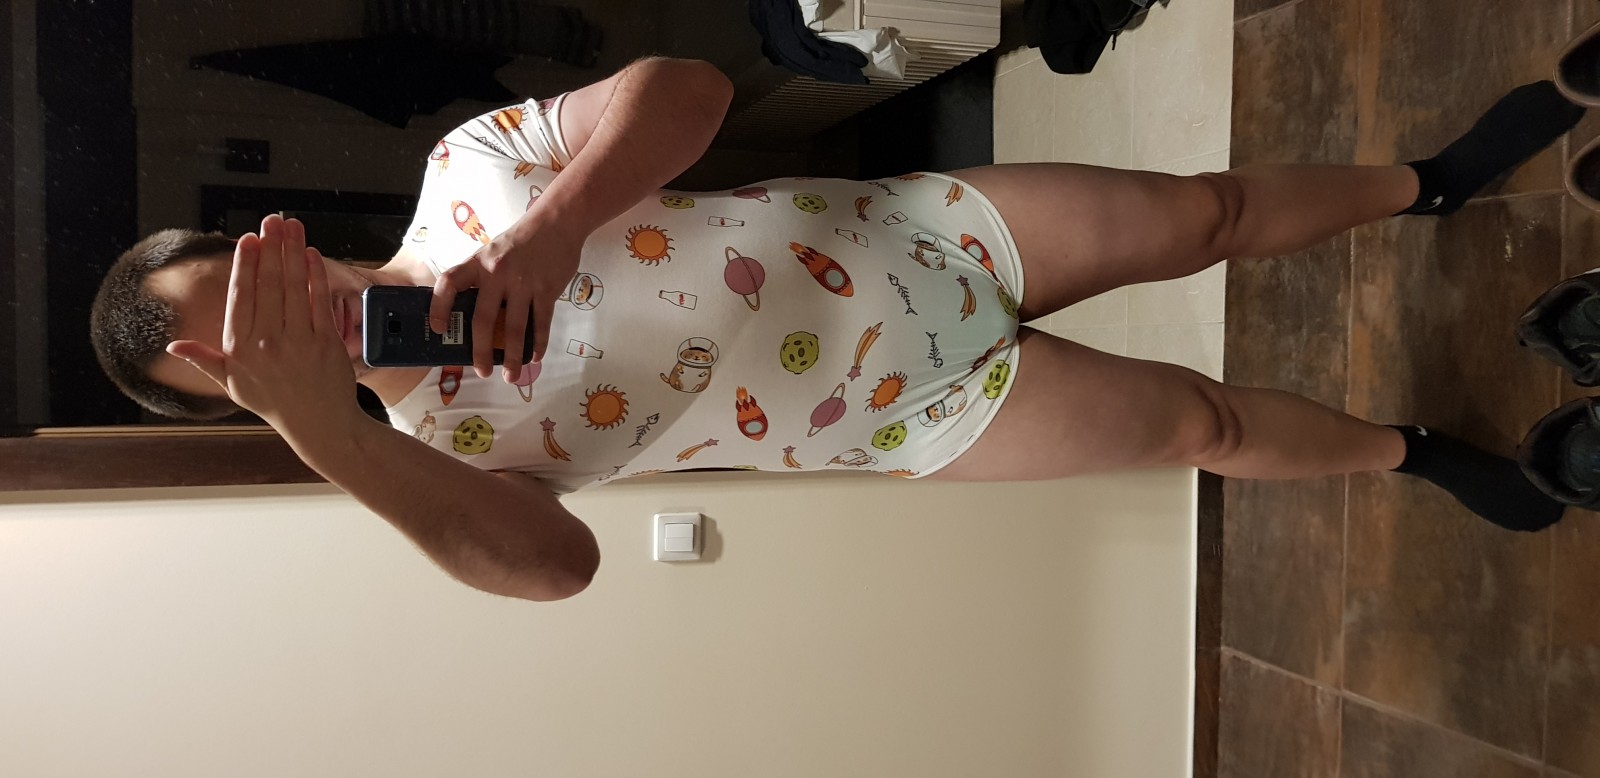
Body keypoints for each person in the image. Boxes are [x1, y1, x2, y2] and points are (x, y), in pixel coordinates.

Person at [90, 57, 1585, 602]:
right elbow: (556, 567)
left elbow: (689, 93)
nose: (274, 326)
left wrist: (545, 234)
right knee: (1201, 424)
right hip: (901, 413)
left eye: (242, 292)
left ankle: (1434, 179)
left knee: (1206, 211)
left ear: (270, 245)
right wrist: (325, 430)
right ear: (242, 399)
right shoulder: (426, 457)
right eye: (238, 358)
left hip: (918, 233)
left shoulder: (465, 175)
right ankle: (1414, 454)